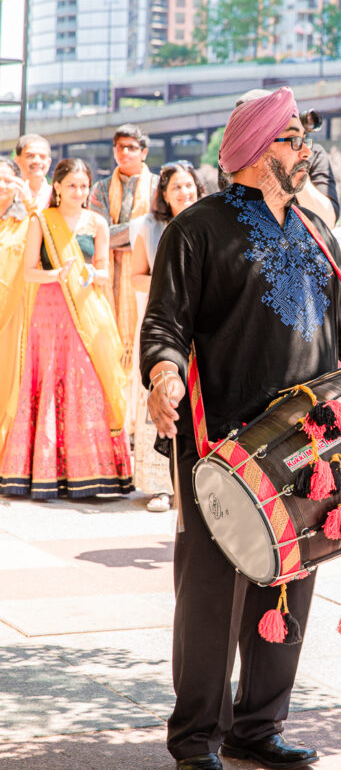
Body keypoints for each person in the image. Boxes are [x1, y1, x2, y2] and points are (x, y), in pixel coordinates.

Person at [140, 86, 341, 770]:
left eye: (304, 140)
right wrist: (163, 374)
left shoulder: (314, 231)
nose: (306, 151)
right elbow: (164, 324)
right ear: (254, 149)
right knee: (213, 591)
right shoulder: (198, 229)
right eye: (293, 139)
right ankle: (196, 738)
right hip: (223, 445)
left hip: (307, 448)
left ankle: (258, 726)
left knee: (289, 586)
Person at [0, 158, 133, 500]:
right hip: (47, 313)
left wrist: (90, 274)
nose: (79, 192)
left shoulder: (97, 223)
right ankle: (39, 472)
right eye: (72, 185)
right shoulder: (42, 222)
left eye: (84, 186)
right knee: (48, 379)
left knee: (85, 380)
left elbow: (104, 272)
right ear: (56, 186)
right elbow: (28, 271)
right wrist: (55, 275)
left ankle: (90, 471)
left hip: (87, 310)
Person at [130, 162, 205, 512]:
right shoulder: (150, 227)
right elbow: (135, 277)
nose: (184, 192)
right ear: (164, 193)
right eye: (176, 187)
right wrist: (172, 285)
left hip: (200, 331)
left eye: (189, 185)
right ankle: (161, 485)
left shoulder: (211, 224)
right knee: (162, 399)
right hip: (165, 325)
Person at [89, 124, 157, 375]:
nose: (125, 152)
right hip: (108, 276)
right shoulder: (100, 189)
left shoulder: (158, 187)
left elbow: (160, 231)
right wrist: (141, 229)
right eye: (120, 147)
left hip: (146, 276)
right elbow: (98, 233)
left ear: (144, 152)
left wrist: (116, 234)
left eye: (131, 147)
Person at [224, 91, 339, 228]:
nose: (305, 152)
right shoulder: (233, 159)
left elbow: (326, 220)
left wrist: (295, 169)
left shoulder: (312, 154)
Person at [0, 158, 34, 454]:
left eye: (8, 179)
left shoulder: (27, 220)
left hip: (12, 317)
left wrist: (31, 204)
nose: (2, 185)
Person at [14, 134, 52, 210]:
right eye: (30, 156)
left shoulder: (58, 195)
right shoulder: (7, 193)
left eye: (42, 157)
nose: (37, 161)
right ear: (17, 161)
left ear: (49, 162)